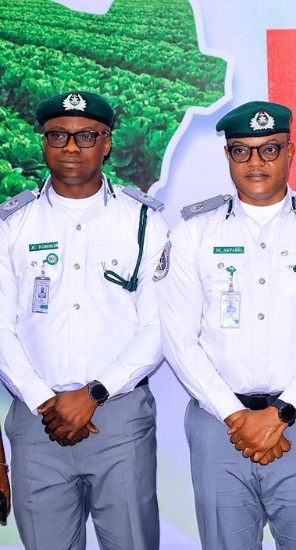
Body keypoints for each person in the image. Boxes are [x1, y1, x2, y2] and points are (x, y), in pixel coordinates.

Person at [155, 100, 296, 549]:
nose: (256, 162)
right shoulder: (193, 232)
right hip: (219, 424)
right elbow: (179, 338)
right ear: (228, 155)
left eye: (270, 149)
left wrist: (282, 412)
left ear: (290, 151)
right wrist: (235, 415)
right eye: (241, 150)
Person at [0, 91, 167, 549]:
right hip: (38, 420)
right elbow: (1, 326)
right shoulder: (13, 224)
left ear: (107, 143)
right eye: (58, 135)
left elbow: (157, 327)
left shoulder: (143, 222)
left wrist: (94, 393)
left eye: (86, 136)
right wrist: (44, 401)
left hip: (119, 418)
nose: (71, 147)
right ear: (44, 142)